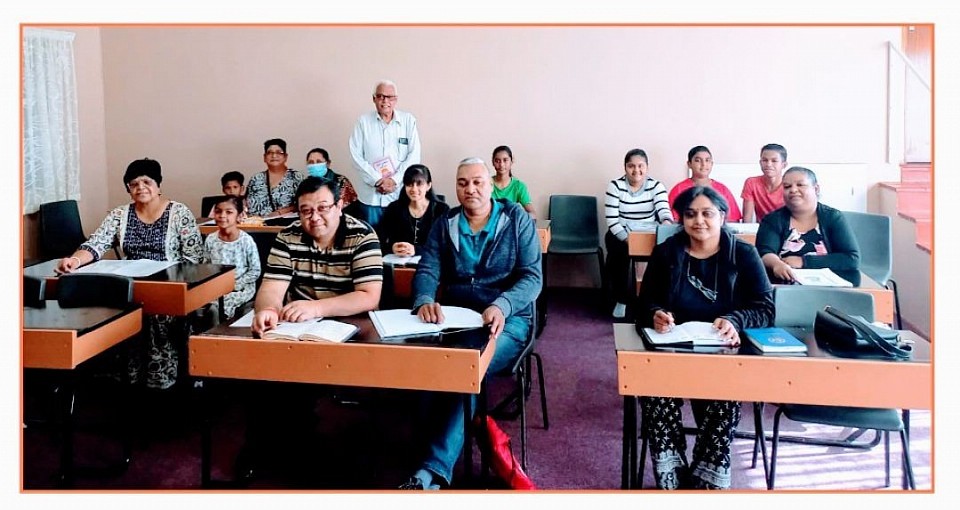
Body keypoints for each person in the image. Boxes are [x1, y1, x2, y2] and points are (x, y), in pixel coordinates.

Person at [400, 157, 542, 490]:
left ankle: (431, 473)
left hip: (508, 321)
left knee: (466, 372)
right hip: (457, 320)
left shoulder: (516, 219)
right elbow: (428, 269)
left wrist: (502, 304)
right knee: (423, 365)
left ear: (491, 185)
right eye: (463, 183)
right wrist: (424, 299)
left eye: (478, 182)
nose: (470, 189)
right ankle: (430, 451)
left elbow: (532, 277)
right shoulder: (445, 222)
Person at [636, 186, 774, 490]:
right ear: (682, 219)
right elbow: (644, 304)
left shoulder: (744, 254)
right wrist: (656, 313)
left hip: (725, 355)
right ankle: (670, 471)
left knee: (724, 398)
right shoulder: (667, 252)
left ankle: (707, 474)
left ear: (722, 216)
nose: (699, 221)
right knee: (655, 391)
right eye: (690, 214)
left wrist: (736, 320)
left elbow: (765, 309)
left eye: (707, 213)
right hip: (673, 350)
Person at [56, 158, 203, 390]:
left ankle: (161, 380)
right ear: (128, 188)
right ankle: (127, 378)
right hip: (131, 285)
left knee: (157, 315)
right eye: (133, 184)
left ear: (159, 186)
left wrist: (170, 281)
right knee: (113, 312)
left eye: (147, 182)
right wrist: (74, 260)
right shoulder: (119, 214)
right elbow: (96, 244)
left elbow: (194, 259)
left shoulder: (179, 212)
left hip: (171, 286)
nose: (140, 187)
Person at [251, 176, 383, 335]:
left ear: (339, 206)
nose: (314, 217)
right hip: (298, 327)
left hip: (354, 327)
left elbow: (369, 296)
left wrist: (316, 308)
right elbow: (271, 287)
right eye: (306, 211)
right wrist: (269, 309)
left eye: (323, 208)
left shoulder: (363, 236)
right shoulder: (287, 237)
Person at [755, 166, 861, 286]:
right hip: (784, 287)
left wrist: (803, 262)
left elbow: (851, 259)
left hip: (831, 288)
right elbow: (764, 252)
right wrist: (777, 264)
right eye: (787, 186)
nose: (793, 190)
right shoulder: (773, 219)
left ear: (816, 189)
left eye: (800, 185)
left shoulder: (832, 217)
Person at [604, 148, 672, 319]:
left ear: (647, 167)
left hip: (648, 233)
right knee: (618, 251)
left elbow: (664, 211)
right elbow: (612, 221)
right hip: (622, 232)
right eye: (631, 166)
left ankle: (655, 302)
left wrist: (666, 223)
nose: (636, 170)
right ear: (625, 167)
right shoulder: (615, 186)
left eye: (641, 166)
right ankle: (622, 300)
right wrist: (629, 240)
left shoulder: (656, 186)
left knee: (666, 251)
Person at [348, 79, 421, 229]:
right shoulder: (363, 122)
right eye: (380, 96)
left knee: (399, 240)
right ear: (374, 99)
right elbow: (355, 156)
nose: (385, 101)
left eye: (389, 97)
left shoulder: (408, 121)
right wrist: (377, 180)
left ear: (396, 100)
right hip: (371, 197)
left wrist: (394, 180)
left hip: (398, 194)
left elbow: (414, 155)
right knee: (371, 240)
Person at [202, 195, 261, 320]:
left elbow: (255, 270)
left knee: (218, 306)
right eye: (218, 211)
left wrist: (235, 285)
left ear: (239, 216)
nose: (222, 216)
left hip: (241, 288)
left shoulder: (246, 241)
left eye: (229, 212)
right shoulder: (210, 239)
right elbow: (206, 265)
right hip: (217, 287)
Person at [379, 164, 451, 256]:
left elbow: (446, 245)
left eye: (419, 184)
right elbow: (379, 240)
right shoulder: (393, 208)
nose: (414, 189)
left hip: (431, 262)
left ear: (428, 186)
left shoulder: (441, 210)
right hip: (398, 263)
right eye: (409, 184)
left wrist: (416, 250)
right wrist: (391, 248)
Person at [667, 146, 742, 222]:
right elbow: (672, 220)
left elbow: (733, 220)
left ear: (712, 164)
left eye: (707, 160)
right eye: (698, 160)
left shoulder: (722, 189)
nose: (703, 164)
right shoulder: (679, 189)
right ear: (689, 164)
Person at [245, 138, 304, 218]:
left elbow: (304, 204)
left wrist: (280, 213)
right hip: (257, 227)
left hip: (286, 227)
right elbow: (246, 204)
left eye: (278, 152)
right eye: (269, 153)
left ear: (285, 157)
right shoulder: (256, 179)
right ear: (265, 157)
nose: (274, 156)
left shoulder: (296, 177)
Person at [741, 143, 789, 223]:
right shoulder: (752, 183)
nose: (768, 164)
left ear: (784, 165)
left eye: (774, 161)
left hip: (785, 229)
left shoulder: (790, 185)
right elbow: (747, 219)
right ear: (760, 162)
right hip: (762, 229)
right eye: (765, 160)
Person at [491, 145, 536, 219]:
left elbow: (532, 214)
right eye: (497, 161)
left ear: (512, 161)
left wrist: (519, 218)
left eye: (505, 160)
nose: (501, 165)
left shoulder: (518, 186)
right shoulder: (485, 184)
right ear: (493, 162)